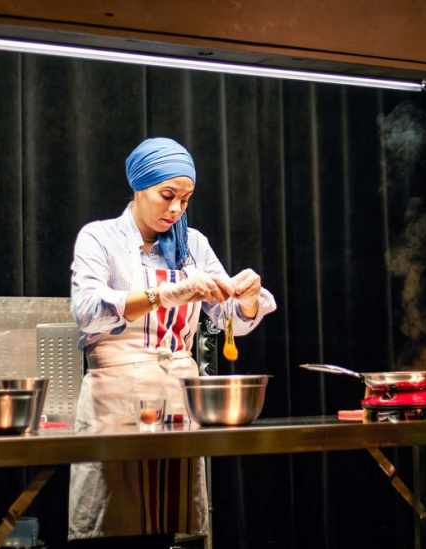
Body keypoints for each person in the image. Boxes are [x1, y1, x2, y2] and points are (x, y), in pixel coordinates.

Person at [68, 137, 277, 547]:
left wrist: (247, 300)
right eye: (167, 196)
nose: (177, 209)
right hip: (114, 398)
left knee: (165, 523)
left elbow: (226, 319)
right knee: (110, 522)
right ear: (138, 187)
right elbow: (88, 310)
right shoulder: (100, 238)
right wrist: (163, 295)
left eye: (186, 198)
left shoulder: (192, 245)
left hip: (176, 398)